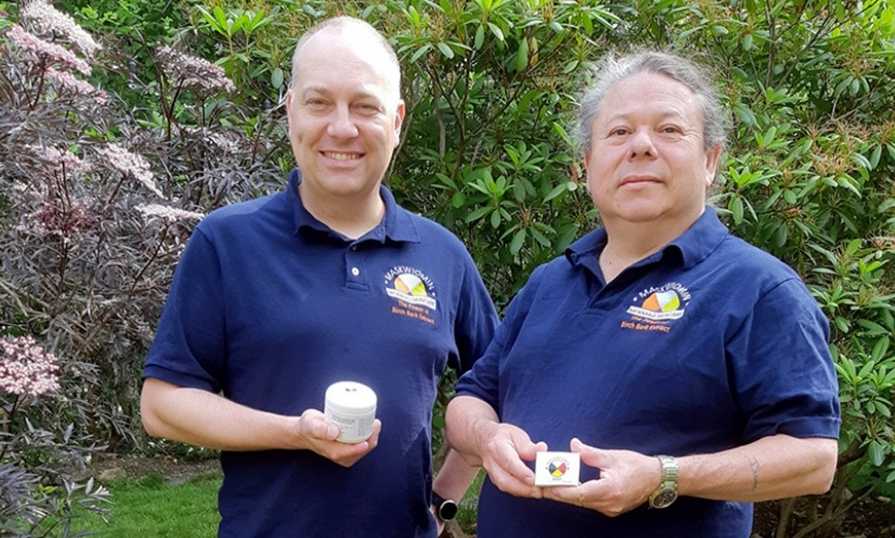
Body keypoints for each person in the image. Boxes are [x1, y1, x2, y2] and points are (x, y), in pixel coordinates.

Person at [445, 51, 840, 537]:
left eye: (670, 130)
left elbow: (813, 459)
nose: (641, 147)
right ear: (587, 164)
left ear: (711, 160)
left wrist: (663, 476)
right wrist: (487, 439)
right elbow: (471, 399)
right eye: (618, 132)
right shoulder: (550, 282)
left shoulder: (759, 290)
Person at [140, 17, 498, 537]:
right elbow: (163, 405)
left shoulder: (442, 254)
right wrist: (294, 433)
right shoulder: (228, 242)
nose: (342, 127)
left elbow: (495, 388)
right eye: (319, 102)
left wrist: (444, 498)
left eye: (365, 105)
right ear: (290, 113)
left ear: (396, 121)